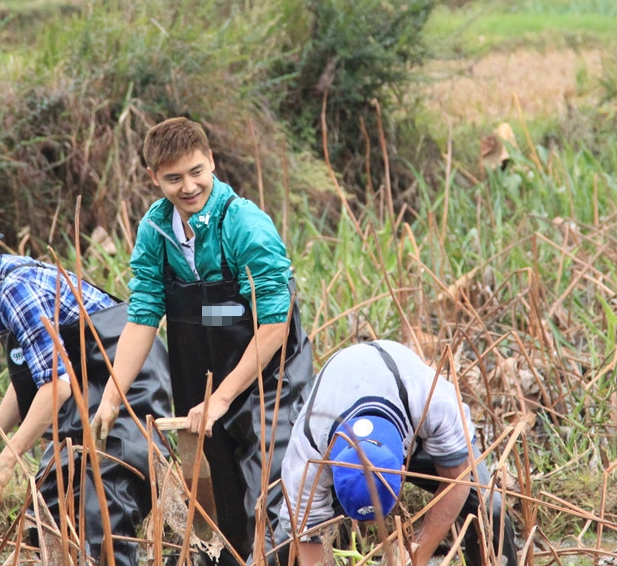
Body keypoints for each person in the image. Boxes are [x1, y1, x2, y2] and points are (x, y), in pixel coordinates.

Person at [91, 117, 314, 564]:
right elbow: (143, 317)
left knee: (272, 500)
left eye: (197, 171)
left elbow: (274, 323)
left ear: (211, 161)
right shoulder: (156, 231)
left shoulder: (245, 225)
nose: (189, 186)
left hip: (266, 378)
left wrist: (224, 398)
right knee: (221, 509)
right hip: (200, 380)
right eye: (173, 178)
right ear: (154, 178)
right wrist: (113, 396)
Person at [0, 216, 172, 566]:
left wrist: (8, 459)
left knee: (102, 511)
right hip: (86, 396)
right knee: (48, 506)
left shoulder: (16, 288)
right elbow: (30, 380)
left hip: (127, 389)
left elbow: (56, 386)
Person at [279, 340, 518, 566]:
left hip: (411, 417)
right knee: (280, 544)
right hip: (329, 404)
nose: (376, 525)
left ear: (403, 471)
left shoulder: (433, 403)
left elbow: (457, 481)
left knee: (490, 510)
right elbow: (308, 536)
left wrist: (416, 553)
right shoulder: (308, 452)